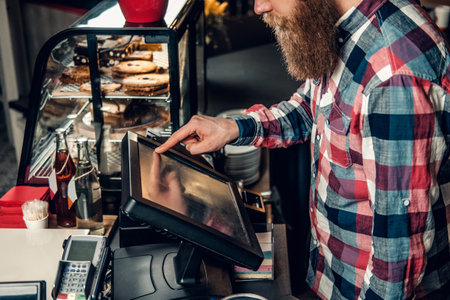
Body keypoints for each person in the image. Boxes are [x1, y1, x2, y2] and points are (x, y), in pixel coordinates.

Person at [156, 0, 450, 298]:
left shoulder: (394, 77)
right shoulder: (343, 24)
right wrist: (233, 128)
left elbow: (396, 264)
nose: (259, 7)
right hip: (330, 274)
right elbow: (311, 108)